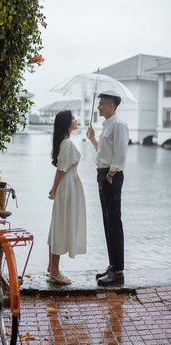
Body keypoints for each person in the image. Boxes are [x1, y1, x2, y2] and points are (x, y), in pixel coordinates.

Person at [87, 92, 129, 286]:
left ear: (112, 106)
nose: (99, 107)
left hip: (110, 176)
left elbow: (120, 154)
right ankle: (113, 265)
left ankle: (118, 271)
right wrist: (93, 139)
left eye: (102, 104)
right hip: (103, 174)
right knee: (107, 221)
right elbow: (104, 153)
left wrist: (110, 175)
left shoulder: (119, 125)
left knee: (113, 221)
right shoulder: (107, 126)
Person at [47, 110, 87, 285]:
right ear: (66, 123)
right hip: (67, 187)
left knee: (58, 225)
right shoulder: (67, 143)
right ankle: (55, 271)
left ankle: (52, 267)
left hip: (67, 185)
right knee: (61, 226)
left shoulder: (64, 141)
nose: (75, 120)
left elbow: (62, 168)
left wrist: (55, 188)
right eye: (73, 118)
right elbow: (61, 169)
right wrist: (54, 188)